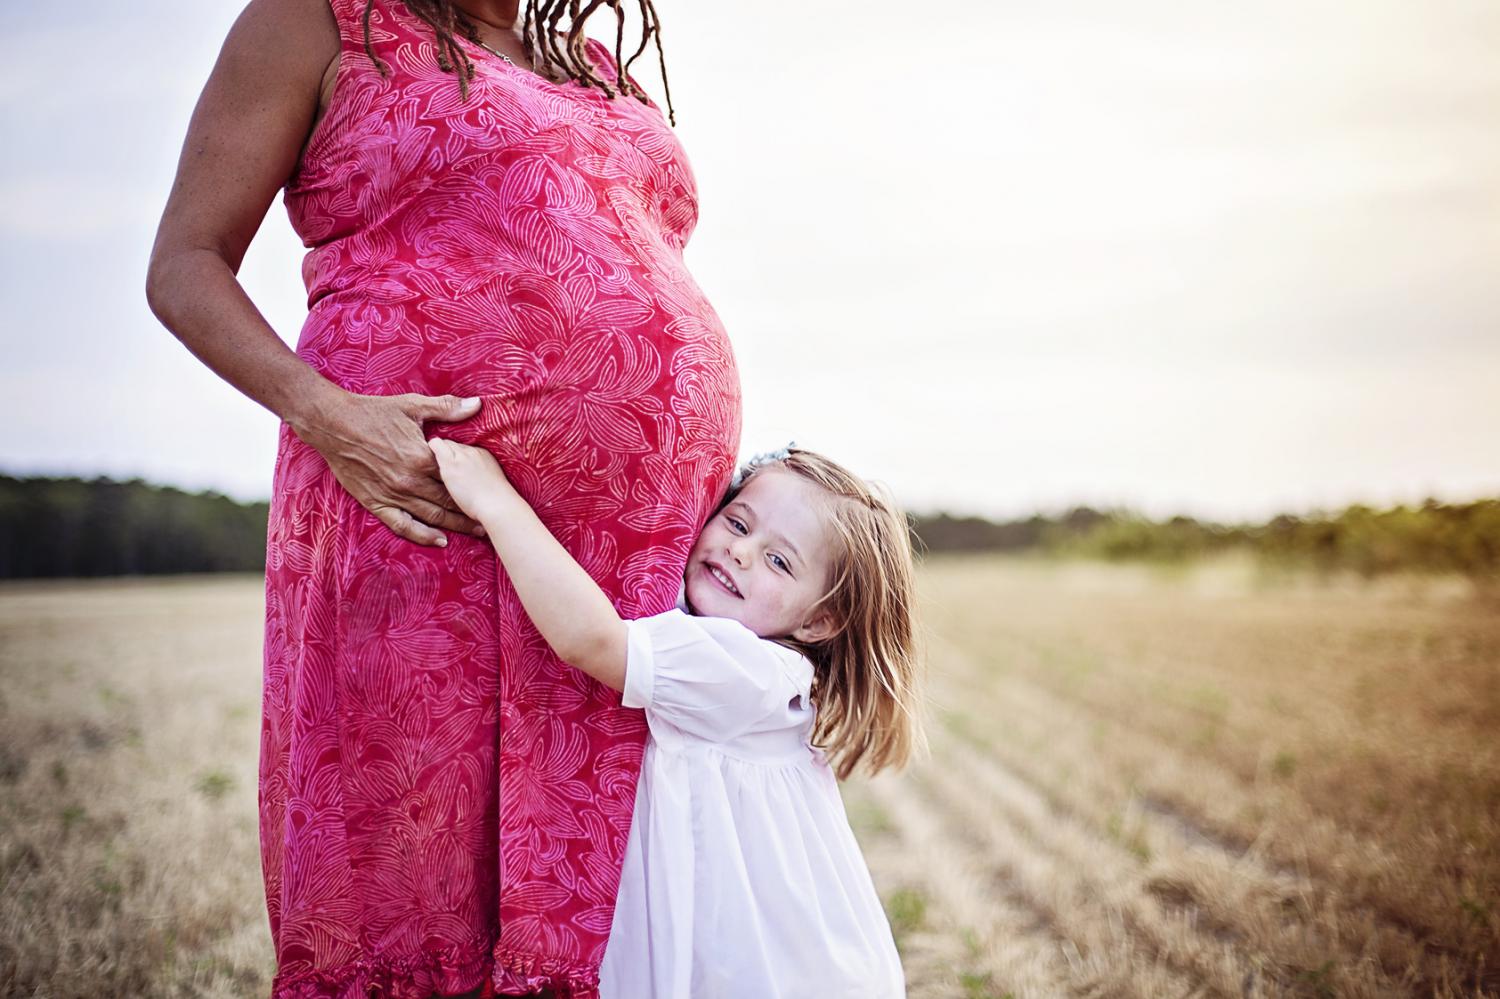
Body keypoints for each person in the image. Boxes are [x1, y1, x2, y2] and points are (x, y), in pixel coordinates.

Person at [145, 0, 740, 995]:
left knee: (613, 904)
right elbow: (183, 266)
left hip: (629, 564)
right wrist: (326, 413)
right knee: (415, 882)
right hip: (419, 521)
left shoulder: (591, 61)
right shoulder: (318, 21)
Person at [429, 440, 924, 998]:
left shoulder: (747, 668)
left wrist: (496, 501)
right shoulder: (749, 658)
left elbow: (590, 640)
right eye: (738, 523)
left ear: (818, 622)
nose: (741, 552)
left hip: (764, 967)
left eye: (779, 561)